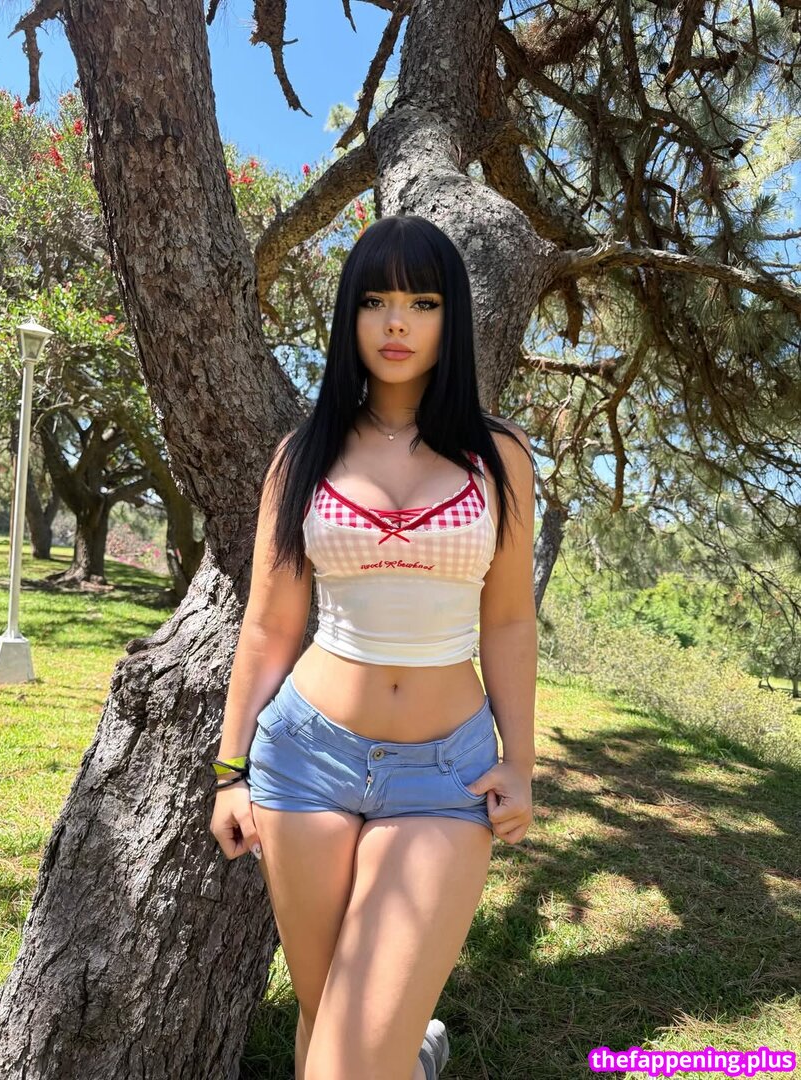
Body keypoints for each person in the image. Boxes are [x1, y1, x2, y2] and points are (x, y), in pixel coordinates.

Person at [210, 214, 537, 1080]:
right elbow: (270, 626)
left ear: (451, 317)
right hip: (304, 762)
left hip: (446, 775)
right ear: (349, 315)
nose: (397, 323)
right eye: (375, 301)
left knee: (348, 1059)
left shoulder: (499, 457)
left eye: (423, 303)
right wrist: (230, 771)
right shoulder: (304, 453)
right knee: (324, 1021)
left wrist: (521, 761)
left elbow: (509, 620)